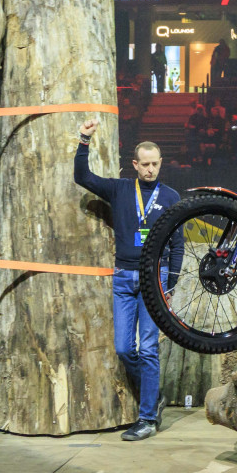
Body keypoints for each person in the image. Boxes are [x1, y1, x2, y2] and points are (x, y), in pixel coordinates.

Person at [74, 120, 184, 443]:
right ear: (135, 164)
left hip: (154, 279)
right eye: (144, 164)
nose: (150, 170)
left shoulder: (170, 196)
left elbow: (178, 244)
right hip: (123, 277)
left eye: (154, 164)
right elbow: (83, 177)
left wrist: (171, 283)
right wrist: (84, 139)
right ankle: (155, 395)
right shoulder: (121, 189)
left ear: (160, 163)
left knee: (148, 348)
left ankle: (147, 418)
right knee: (124, 348)